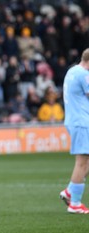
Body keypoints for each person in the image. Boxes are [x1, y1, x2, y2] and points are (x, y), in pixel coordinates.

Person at [59, 48, 89, 214]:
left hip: (75, 119)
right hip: (82, 122)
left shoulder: (72, 71)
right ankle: (75, 203)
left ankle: (70, 191)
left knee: (86, 160)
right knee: (82, 161)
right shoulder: (83, 74)